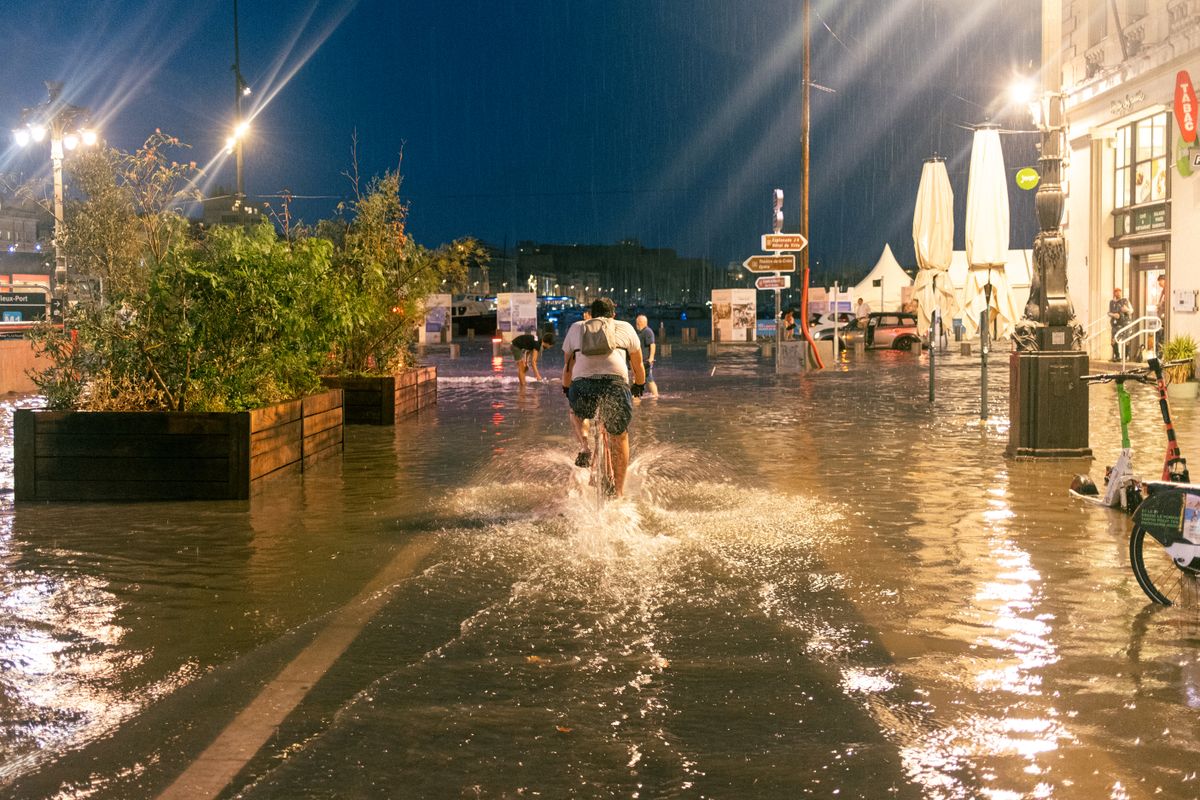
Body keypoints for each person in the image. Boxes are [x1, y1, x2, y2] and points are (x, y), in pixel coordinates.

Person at [562, 297, 646, 497]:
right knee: (620, 435)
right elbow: (638, 366)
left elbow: (567, 367)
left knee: (576, 412)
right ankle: (618, 492)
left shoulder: (576, 328)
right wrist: (639, 386)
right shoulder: (625, 327)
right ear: (613, 315)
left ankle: (584, 447)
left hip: (583, 386)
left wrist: (567, 389)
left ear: (590, 315)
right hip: (614, 386)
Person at [634, 314, 659, 398]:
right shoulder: (641, 332)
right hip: (641, 361)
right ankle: (654, 396)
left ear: (640, 322)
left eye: (637, 322)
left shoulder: (647, 331)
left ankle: (636, 396)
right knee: (646, 379)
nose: (636, 324)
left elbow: (652, 345)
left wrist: (651, 358)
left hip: (645, 361)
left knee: (645, 379)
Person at [1108, 287, 1132, 361]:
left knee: (1126, 340)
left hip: (1125, 323)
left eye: (1119, 292)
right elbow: (1109, 312)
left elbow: (1131, 310)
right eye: (1116, 292)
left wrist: (1126, 310)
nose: (1118, 293)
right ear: (1114, 293)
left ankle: (1126, 357)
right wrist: (1113, 315)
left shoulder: (1125, 300)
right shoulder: (1112, 302)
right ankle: (1117, 356)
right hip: (1115, 324)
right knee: (1113, 340)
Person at [1156, 274, 1168, 355]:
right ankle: (1159, 354)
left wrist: (1160, 306)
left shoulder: (1167, 290)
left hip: (1163, 318)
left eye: (1160, 281)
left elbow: (1165, 303)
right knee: (1159, 336)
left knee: (1161, 337)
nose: (1159, 283)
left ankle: (1161, 354)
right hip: (1160, 318)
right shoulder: (1163, 290)